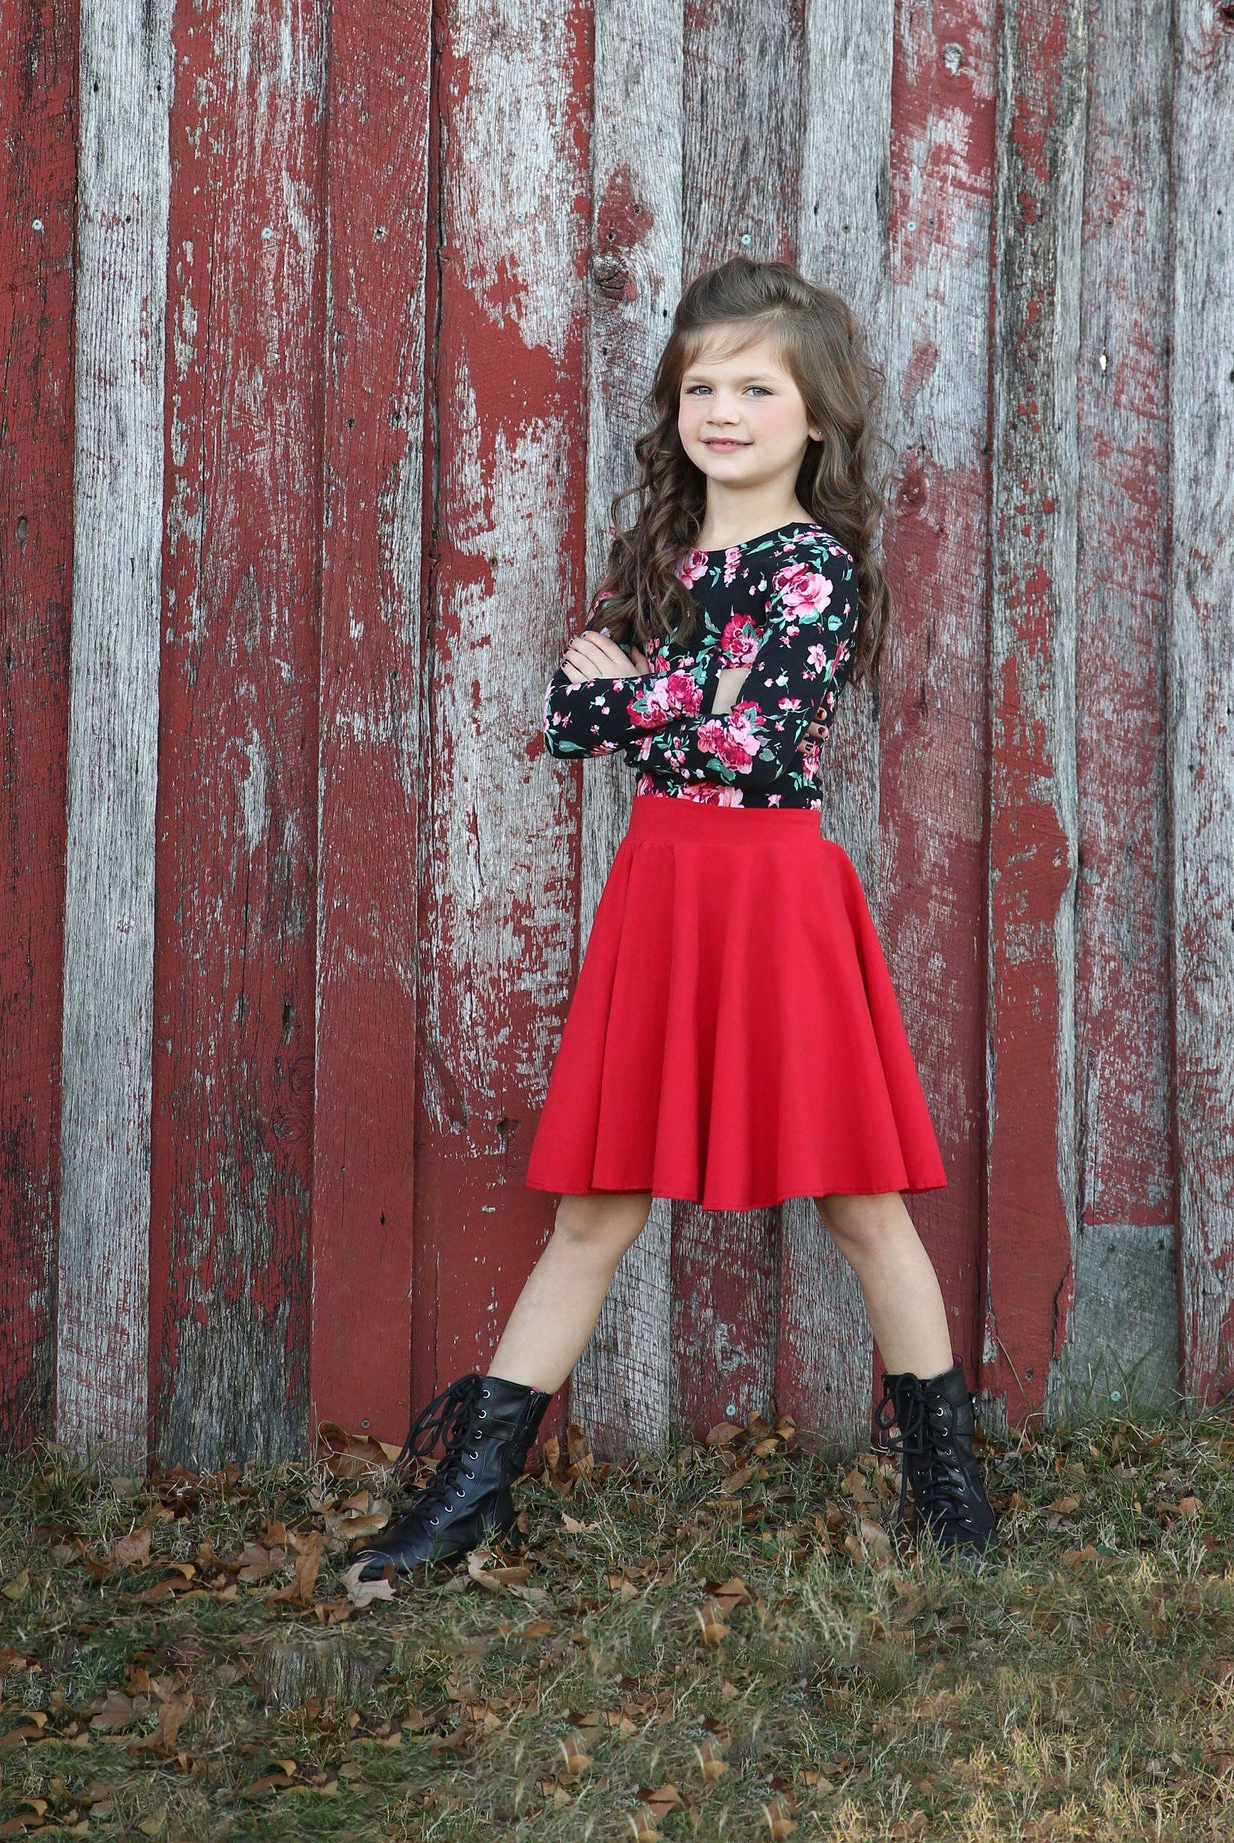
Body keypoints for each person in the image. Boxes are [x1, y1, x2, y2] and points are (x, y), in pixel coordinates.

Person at [346, 257, 997, 1594]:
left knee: (862, 1204)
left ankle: (948, 1492)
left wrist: (632, 691)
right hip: (663, 892)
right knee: (594, 1210)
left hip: (771, 898)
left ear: (814, 418)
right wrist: (643, 695)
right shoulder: (666, 557)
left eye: (757, 386)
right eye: (701, 383)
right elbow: (563, 716)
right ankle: (464, 1502)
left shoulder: (810, 567)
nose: (724, 407)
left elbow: (756, 748)